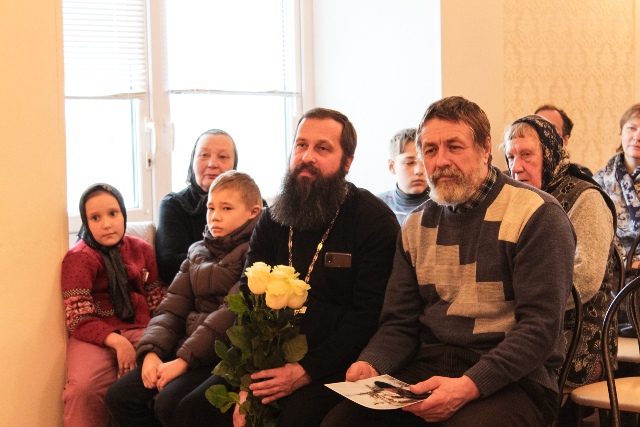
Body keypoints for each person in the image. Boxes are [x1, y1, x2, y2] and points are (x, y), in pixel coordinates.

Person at [321, 96, 576, 427]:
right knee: (341, 422)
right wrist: (371, 363)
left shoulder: (537, 215)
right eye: (430, 150)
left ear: (485, 148)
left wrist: (468, 386)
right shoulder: (415, 225)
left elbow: (539, 329)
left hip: (517, 378)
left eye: (454, 147)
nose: (440, 161)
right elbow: (400, 323)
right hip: (431, 366)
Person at [173, 107, 400, 427]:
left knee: (291, 419)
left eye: (322, 148)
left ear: (347, 162)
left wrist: (305, 371)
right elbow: (248, 298)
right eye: (301, 145)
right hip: (268, 355)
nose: (307, 156)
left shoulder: (373, 220)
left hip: (335, 362)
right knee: (191, 409)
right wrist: (247, 378)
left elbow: (369, 315)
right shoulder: (273, 218)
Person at [105, 171, 262, 426]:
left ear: (253, 212)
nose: (215, 216)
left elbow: (229, 314)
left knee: (170, 402)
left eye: (226, 208)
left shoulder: (256, 253)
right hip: (187, 347)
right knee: (119, 396)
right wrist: (151, 352)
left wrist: (183, 361)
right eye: (211, 207)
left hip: (220, 354)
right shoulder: (197, 251)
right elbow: (172, 308)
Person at [503, 115, 618, 393]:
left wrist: (526, 303)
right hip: (525, 322)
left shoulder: (585, 197)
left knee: (510, 374)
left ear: (550, 154)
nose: (516, 167)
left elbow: (585, 278)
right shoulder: (514, 199)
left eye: (527, 155)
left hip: (579, 333)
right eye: (510, 156)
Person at [61, 183, 166, 427]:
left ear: (123, 214)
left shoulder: (142, 250)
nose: (107, 224)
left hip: (142, 329)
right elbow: (78, 316)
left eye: (113, 213)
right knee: (83, 389)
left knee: (163, 375)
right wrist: (118, 342)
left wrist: (157, 339)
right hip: (94, 336)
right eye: (95, 218)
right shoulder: (78, 258)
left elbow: (157, 300)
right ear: (85, 222)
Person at [155, 129, 238, 285]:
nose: (212, 164)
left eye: (223, 157)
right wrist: (232, 261)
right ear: (192, 162)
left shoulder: (253, 205)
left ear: (234, 165)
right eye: (204, 155)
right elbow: (169, 266)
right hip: (190, 292)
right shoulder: (174, 205)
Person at [595, 103, 640, 267]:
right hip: (614, 272)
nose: (637, 136)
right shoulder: (599, 182)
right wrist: (627, 263)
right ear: (621, 132)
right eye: (631, 128)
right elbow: (595, 236)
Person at [377, 128, 430, 224]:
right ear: (391, 166)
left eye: (424, 162)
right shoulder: (376, 206)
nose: (419, 171)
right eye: (409, 162)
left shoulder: (446, 206)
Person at [534, 104, 593, 176]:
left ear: (565, 140)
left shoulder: (580, 175)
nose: (542, 133)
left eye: (550, 129)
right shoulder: (521, 170)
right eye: (537, 128)